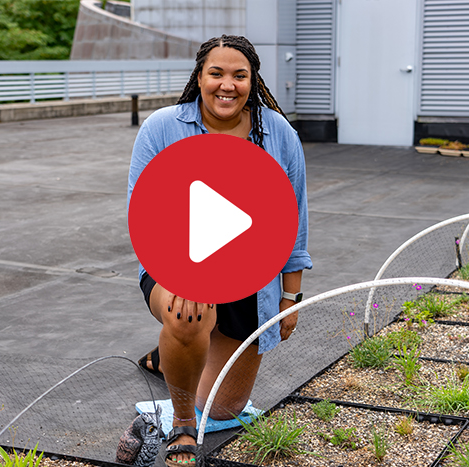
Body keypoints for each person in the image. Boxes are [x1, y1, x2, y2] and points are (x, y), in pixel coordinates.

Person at [127, 35, 312, 467]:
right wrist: (183, 275)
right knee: (187, 311)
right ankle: (183, 424)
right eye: (216, 73)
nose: (227, 84)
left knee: (225, 410)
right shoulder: (163, 127)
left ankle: (168, 359)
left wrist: (290, 296)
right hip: (175, 266)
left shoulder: (278, 133)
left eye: (239, 75)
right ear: (200, 77)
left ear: (253, 81)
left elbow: (294, 222)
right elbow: (144, 212)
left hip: (251, 276)